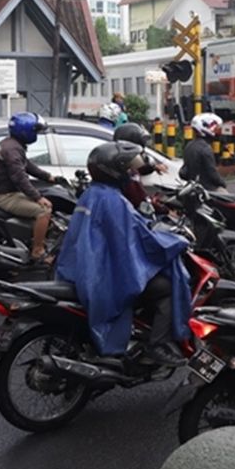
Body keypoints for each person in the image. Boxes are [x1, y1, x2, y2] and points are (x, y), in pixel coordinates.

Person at [56, 141, 192, 368]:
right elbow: (143, 242)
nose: (132, 172)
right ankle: (157, 346)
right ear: (115, 170)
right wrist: (175, 242)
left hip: (77, 269)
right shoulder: (114, 202)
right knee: (168, 287)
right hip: (103, 275)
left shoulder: (91, 194)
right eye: (128, 168)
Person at [0, 112, 56, 265]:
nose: (37, 134)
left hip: (5, 191)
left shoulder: (11, 144)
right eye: (35, 131)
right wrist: (38, 197)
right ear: (26, 131)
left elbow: (27, 166)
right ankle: (37, 251)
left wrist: (47, 177)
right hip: (5, 196)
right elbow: (19, 177)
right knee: (44, 210)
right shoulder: (13, 149)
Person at [114, 123, 168, 210]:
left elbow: (141, 168)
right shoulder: (127, 172)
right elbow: (140, 200)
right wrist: (163, 209)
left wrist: (153, 167)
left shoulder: (125, 166)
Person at [181, 112, 227, 191]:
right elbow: (212, 174)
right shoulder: (205, 149)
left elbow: (184, 172)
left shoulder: (189, 145)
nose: (217, 132)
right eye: (215, 128)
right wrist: (223, 183)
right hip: (207, 189)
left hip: (191, 187)